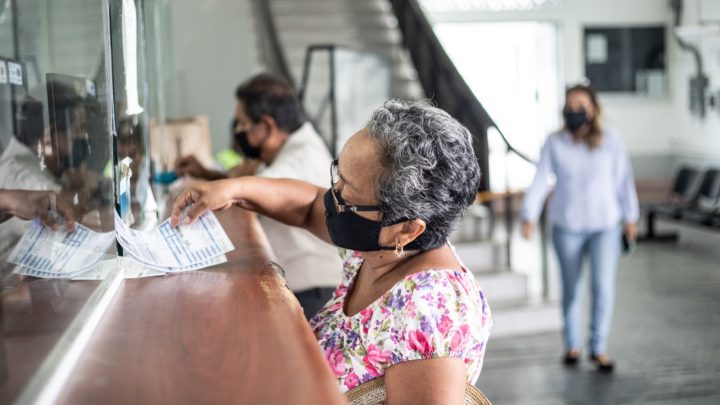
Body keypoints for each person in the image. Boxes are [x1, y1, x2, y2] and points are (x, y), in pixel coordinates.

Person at [171, 100, 492, 400]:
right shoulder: (384, 247)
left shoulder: (429, 315)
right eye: (338, 178)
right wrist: (234, 189)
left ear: (406, 228)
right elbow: (308, 205)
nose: (332, 196)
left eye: (346, 194)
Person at [175, 74, 342, 320]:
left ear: (266, 126)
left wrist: (230, 187)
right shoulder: (296, 146)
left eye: (242, 124)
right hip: (302, 283)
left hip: (313, 291)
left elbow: (265, 190)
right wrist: (208, 174)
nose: (239, 131)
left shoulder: (299, 160)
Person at [521, 84, 639, 373]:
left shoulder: (611, 141)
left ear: (593, 109)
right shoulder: (555, 142)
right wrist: (529, 215)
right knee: (571, 289)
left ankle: (598, 348)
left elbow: (623, 181)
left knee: (602, 287)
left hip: (605, 227)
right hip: (566, 227)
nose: (573, 111)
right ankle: (572, 346)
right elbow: (540, 181)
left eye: (580, 105)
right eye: (569, 105)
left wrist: (631, 217)